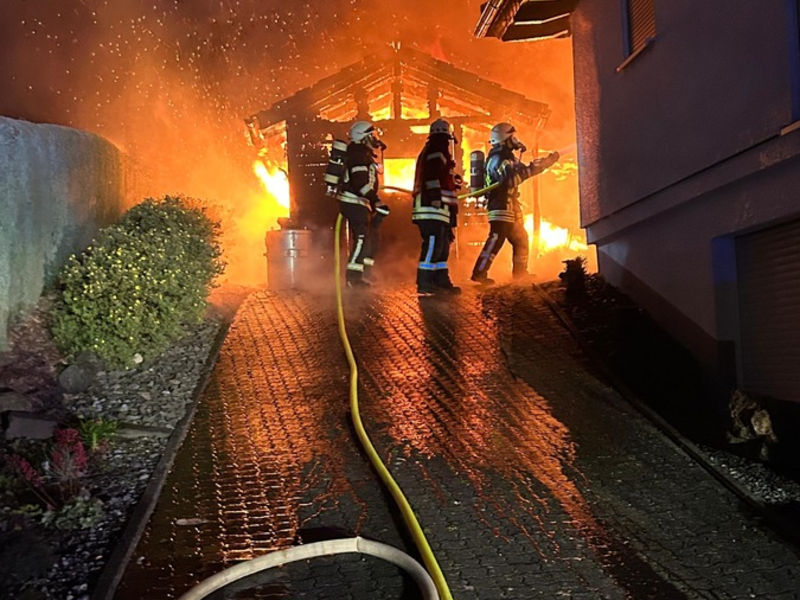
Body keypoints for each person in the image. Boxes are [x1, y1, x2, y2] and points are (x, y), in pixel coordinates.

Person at [471, 122, 559, 285]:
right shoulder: (498, 159)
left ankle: (520, 273)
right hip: (500, 205)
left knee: (521, 239)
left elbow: (526, 170)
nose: (516, 140)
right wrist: (527, 171)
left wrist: (546, 163)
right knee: (496, 239)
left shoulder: (507, 158)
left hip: (510, 205)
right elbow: (512, 179)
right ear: (505, 139)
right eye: (513, 137)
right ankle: (479, 273)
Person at [412, 118, 462, 295]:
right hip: (430, 208)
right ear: (444, 137)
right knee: (433, 245)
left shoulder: (438, 152)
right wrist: (434, 198)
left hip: (441, 210)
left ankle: (441, 280)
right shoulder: (436, 150)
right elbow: (432, 177)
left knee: (442, 246)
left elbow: (440, 177)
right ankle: (424, 282)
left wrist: (453, 181)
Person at [336, 120, 390, 288]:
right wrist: (375, 200)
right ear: (363, 137)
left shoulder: (362, 154)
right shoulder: (358, 155)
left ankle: (364, 273)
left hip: (361, 202)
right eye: (371, 135)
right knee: (361, 238)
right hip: (353, 202)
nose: (375, 139)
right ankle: (353, 277)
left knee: (371, 238)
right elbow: (359, 182)